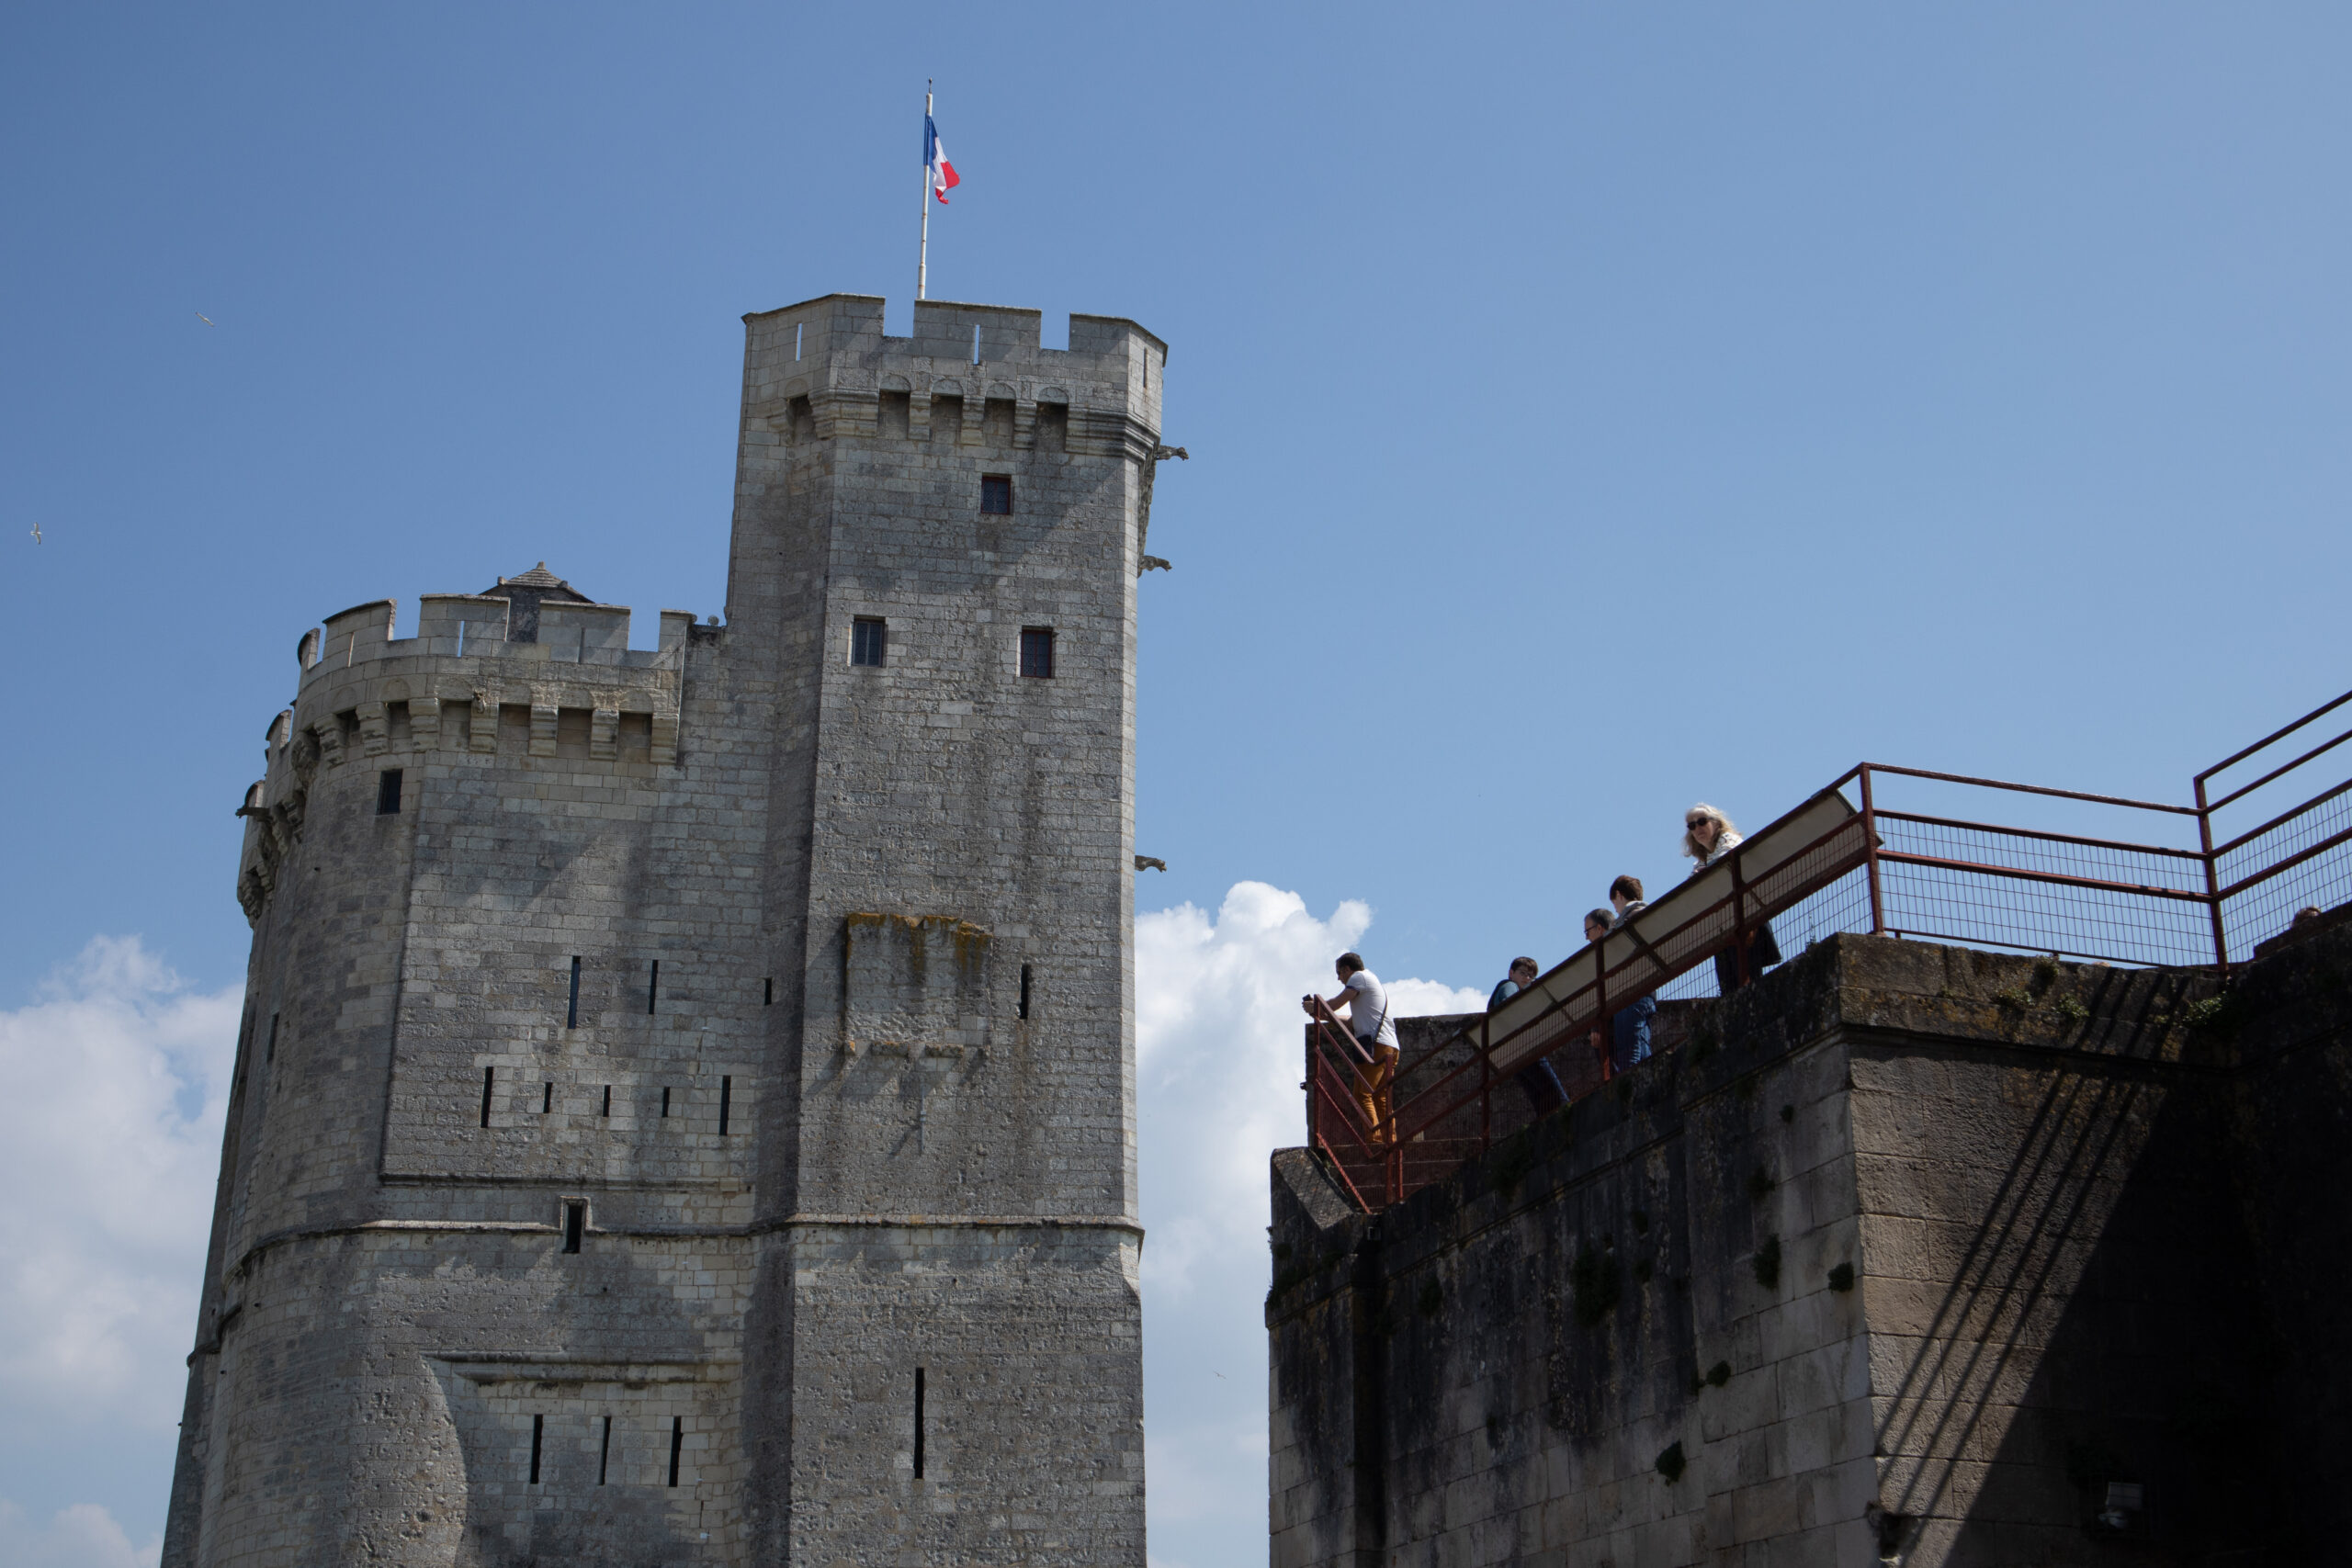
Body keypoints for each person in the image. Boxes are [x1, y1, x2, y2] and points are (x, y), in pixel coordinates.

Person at [1302, 952, 1401, 1145]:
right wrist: (1321, 1013)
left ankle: (1375, 1140)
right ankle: (1390, 1139)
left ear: (1348, 969)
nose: (1339, 978)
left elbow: (1336, 1004)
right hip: (1390, 1046)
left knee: (1362, 1094)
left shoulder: (1359, 977)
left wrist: (1317, 1007)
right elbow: (1348, 1022)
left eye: (1339, 973)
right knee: (1380, 1097)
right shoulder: (1371, 983)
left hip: (1377, 1045)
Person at [1684, 804, 1781, 993]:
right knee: (1728, 984)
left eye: (1702, 822)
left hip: (1745, 919)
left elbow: (1723, 872)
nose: (1697, 828)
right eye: (1692, 826)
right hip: (1722, 925)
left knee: (1748, 978)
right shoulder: (1701, 862)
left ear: (1716, 823)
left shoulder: (1731, 843)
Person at [1489, 956, 1566, 1113]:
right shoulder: (1509, 985)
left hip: (1511, 1052)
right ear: (1511, 973)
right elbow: (1509, 1005)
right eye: (1523, 973)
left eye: (1531, 976)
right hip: (1524, 1046)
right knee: (1555, 1093)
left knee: (1540, 1098)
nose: (1527, 978)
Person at [1607, 875, 1658, 1073]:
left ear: (1618, 895)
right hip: (1646, 992)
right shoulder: (1645, 913)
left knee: (1630, 1052)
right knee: (1641, 1046)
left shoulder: (1633, 916)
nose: (1615, 910)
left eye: (1614, 904)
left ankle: (1633, 1093)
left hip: (1632, 991)